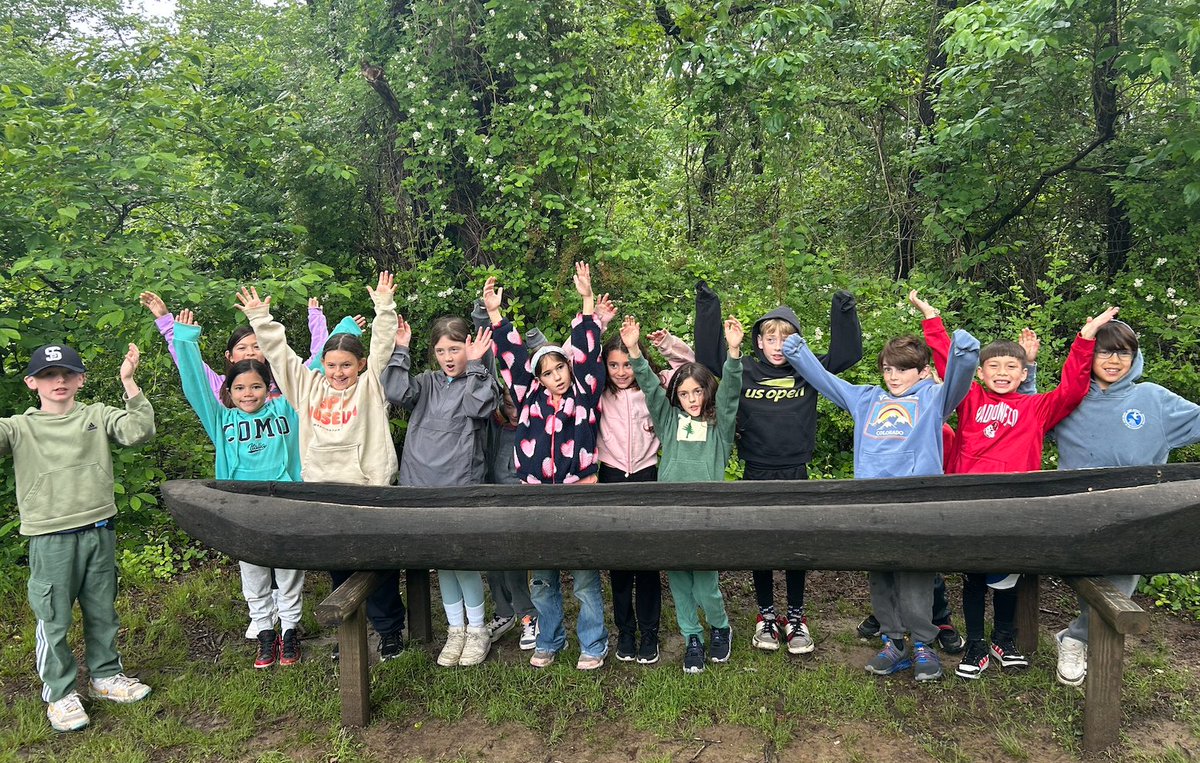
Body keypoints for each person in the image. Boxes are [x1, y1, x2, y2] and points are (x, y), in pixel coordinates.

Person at [910, 291, 1117, 679]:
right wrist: (932, 319)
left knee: (1008, 578)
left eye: (1011, 366)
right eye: (993, 366)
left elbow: (1072, 390)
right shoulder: (970, 399)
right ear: (980, 373)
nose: (1002, 372)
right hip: (971, 504)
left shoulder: (1037, 409)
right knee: (974, 577)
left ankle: (1004, 639)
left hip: (1015, 507)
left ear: (1024, 374)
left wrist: (1086, 338)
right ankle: (976, 644)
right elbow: (949, 363)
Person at [783, 321, 981, 681]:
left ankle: (923, 644)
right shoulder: (866, 400)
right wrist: (796, 351)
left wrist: (964, 351)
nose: (893, 376)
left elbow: (959, 380)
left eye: (902, 369)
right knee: (881, 577)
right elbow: (826, 381)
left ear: (923, 372)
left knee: (916, 578)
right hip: (872, 506)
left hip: (915, 505)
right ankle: (894, 643)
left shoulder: (933, 399)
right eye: (888, 369)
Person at [235, 274, 406, 661]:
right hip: (324, 494)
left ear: (361, 365)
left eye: (346, 365)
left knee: (379, 565)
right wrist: (260, 319)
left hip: (367, 490)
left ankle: (389, 631)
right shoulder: (307, 388)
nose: (339, 372)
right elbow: (281, 357)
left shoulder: (371, 387)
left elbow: (382, 345)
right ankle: (349, 634)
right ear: (323, 365)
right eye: (332, 365)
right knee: (339, 570)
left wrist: (384, 307)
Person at [694, 283, 862, 655]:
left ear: (796, 342)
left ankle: (797, 617)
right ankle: (767, 615)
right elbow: (707, 356)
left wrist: (844, 307)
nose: (777, 345)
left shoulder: (807, 369)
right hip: (757, 472)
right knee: (762, 545)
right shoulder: (745, 369)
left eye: (785, 339)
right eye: (770, 338)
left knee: (796, 545)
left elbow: (847, 354)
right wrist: (707, 303)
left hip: (795, 472)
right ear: (758, 341)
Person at [1, 342, 155, 732]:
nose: (59, 381)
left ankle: (105, 677)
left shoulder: (97, 415)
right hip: (50, 537)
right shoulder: (18, 427)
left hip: (98, 529)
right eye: (48, 375)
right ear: (31, 382)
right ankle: (60, 694)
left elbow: (139, 431)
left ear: (81, 380)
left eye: (67, 373)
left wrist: (129, 381)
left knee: (103, 611)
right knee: (53, 618)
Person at [1051, 319, 1200, 686]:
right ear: (1090, 356)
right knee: (1085, 574)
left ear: (1135, 357)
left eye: (1124, 353)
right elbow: (1026, 416)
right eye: (1105, 352)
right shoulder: (1070, 398)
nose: (1114, 360)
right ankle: (1080, 636)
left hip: (1135, 516)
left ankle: (1076, 639)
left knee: (1118, 581)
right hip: (1073, 515)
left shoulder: (1153, 399)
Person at [487, 264, 609, 670]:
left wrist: (587, 301)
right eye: (547, 372)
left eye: (560, 368)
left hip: (578, 491)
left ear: (569, 368)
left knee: (585, 579)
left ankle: (593, 644)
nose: (556, 377)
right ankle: (549, 640)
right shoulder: (528, 400)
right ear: (537, 379)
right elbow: (511, 357)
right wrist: (495, 315)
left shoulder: (584, 394)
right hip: (537, 495)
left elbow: (588, 350)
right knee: (542, 580)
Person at [172, 309, 305, 669]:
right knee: (254, 572)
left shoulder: (287, 411)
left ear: (268, 387)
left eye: (256, 386)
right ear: (228, 391)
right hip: (242, 507)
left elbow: (311, 370)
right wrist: (183, 338)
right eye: (240, 388)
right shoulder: (221, 420)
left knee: (288, 569)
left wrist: (344, 328)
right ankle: (265, 633)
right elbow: (195, 385)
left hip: (285, 500)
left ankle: (290, 630)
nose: (248, 394)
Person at [620, 314, 744, 673]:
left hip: (706, 518)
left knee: (706, 586)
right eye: (684, 393)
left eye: (697, 391)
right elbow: (650, 387)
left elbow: (730, 395)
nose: (691, 398)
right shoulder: (669, 421)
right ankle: (692, 637)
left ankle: (720, 627)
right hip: (671, 516)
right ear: (676, 395)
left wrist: (734, 353)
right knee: (679, 585)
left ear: (707, 391)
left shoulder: (720, 426)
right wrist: (633, 350)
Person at [382, 313, 497, 667]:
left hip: (459, 488)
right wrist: (401, 349)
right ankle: (456, 629)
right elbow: (395, 391)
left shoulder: (481, 380)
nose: (448, 357)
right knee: (441, 563)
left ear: (470, 348)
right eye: (441, 350)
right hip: (421, 486)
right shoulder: (426, 382)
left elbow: (479, 406)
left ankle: (477, 630)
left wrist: (476, 365)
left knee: (462, 560)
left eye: (456, 349)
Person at [596, 327, 695, 665]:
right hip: (611, 477)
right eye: (613, 365)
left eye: (627, 364)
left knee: (648, 562)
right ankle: (625, 631)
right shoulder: (599, 391)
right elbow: (568, 360)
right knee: (620, 563)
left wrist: (665, 344)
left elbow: (689, 368)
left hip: (647, 476)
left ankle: (649, 632)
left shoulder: (655, 385)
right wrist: (594, 323)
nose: (621, 372)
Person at [140, 291, 364, 404]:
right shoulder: (221, 387)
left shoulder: (286, 382)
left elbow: (319, 362)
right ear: (229, 356)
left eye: (257, 346)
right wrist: (168, 325)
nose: (250, 352)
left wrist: (330, 326)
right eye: (242, 348)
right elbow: (191, 368)